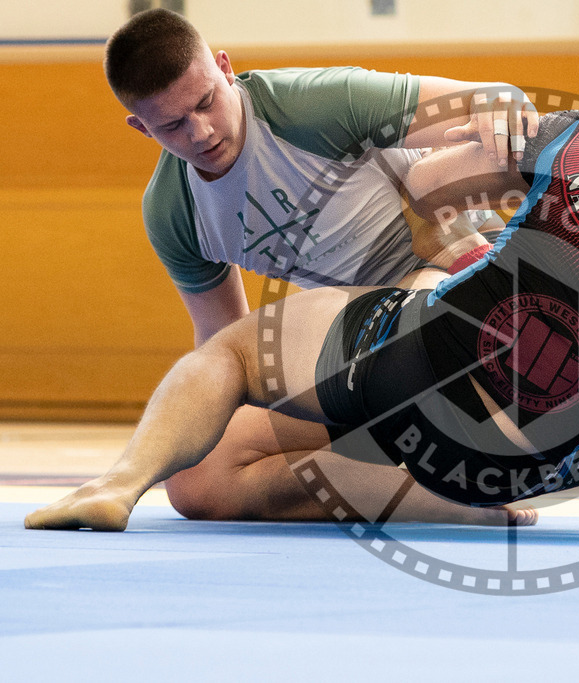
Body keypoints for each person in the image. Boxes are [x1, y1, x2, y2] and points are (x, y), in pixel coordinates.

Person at [27, 61, 579, 540]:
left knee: (226, 368)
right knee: (216, 482)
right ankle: (492, 487)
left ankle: (116, 485)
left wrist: (455, 252)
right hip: (527, 460)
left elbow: (444, 174)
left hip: (434, 351)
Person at [102, 8, 539, 526]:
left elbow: (491, 99)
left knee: (414, 335)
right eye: (172, 125)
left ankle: (471, 438)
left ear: (224, 68)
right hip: (357, 347)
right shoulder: (174, 210)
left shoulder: (314, 103)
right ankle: (445, 500)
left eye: (206, 102)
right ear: (141, 127)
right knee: (199, 481)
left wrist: (503, 104)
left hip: (449, 291)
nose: (200, 132)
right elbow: (225, 340)